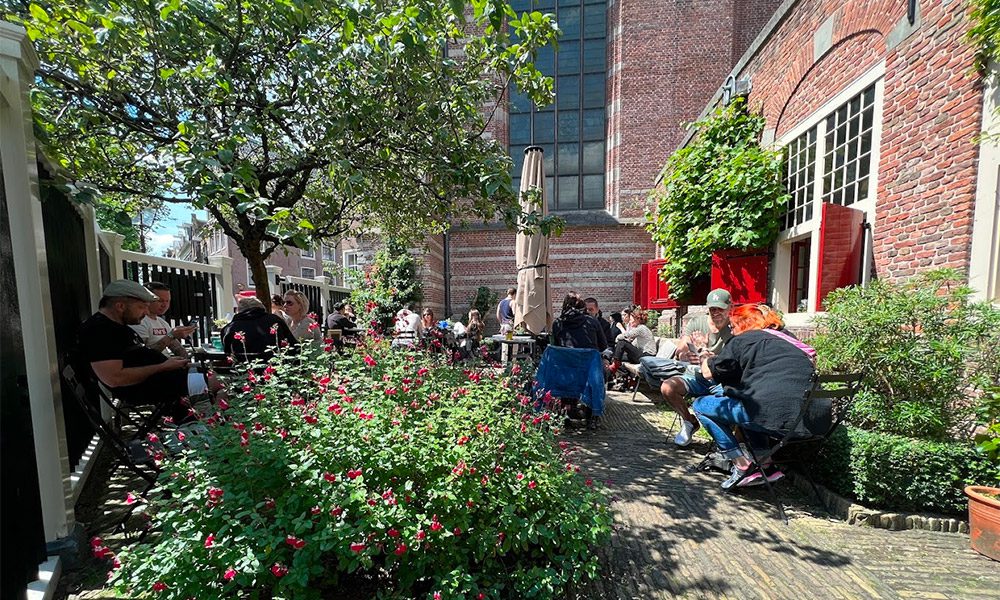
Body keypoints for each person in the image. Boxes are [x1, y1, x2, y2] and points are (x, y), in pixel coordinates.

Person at [692, 304, 816, 489]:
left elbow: (707, 373)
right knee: (752, 403)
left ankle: (741, 465)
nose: (731, 331)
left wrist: (703, 352)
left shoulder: (744, 340)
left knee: (701, 405)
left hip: (773, 417)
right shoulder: (790, 340)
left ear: (743, 324)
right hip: (810, 421)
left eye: (733, 326)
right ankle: (766, 466)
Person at [76, 280, 220, 422]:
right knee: (223, 383)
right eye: (141, 307)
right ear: (120, 306)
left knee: (219, 375)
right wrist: (163, 366)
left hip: (164, 377)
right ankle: (214, 428)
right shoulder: (100, 331)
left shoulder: (117, 326)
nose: (146, 312)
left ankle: (201, 425)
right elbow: (115, 378)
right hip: (151, 386)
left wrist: (171, 364)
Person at [660, 288, 734, 446]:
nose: (716, 313)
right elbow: (681, 347)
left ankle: (731, 441)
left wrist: (710, 358)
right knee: (668, 387)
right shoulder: (697, 322)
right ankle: (689, 421)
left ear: (730, 308)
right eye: (712, 309)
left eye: (720, 309)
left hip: (720, 379)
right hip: (696, 375)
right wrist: (685, 353)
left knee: (737, 399)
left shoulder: (735, 328)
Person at [131, 281, 196, 358]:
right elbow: (142, 356)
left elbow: (178, 349)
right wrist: (171, 335)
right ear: (147, 300)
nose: (165, 305)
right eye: (160, 301)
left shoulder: (162, 322)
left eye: (167, 301)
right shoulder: (138, 322)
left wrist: (186, 359)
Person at [223, 297, 298, 363]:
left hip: (243, 370)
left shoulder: (229, 328)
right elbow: (294, 346)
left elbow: (227, 353)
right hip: (275, 368)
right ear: (262, 308)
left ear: (239, 311)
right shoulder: (275, 320)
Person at [609, 307, 657, 371]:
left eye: (631, 320)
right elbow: (632, 344)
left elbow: (626, 336)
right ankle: (619, 368)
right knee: (615, 357)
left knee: (622, 342)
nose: (630, 322)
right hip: (642, 355)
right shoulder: (639, 329)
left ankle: (615, 365)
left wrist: (617, 339)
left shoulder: (641, 328)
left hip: (647, 357)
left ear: (637, 319)